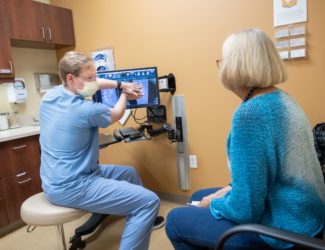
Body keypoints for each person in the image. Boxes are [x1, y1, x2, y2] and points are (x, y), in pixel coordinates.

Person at [165, 29, 325, 249]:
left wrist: (215, 203)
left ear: (235, 66)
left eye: (223, 61)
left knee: (175, 220)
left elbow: (245, 210)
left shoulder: (251, 114)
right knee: (199, 195)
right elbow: (265, 172)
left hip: (286, 229)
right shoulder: (282, 99)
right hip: (307, 218)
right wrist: (225, 191)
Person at [39, 51, 164, 250]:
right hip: (75, 185)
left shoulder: (51, 96)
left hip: (56, 179)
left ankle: (142, 221)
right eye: (89, 78)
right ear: (71, 78)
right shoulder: (87, 110)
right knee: (149, 201)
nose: (94, 82)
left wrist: (120, 83)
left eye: (95, 76)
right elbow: (116, 113)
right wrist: (125, 94)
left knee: (129, 173)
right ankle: (142, 213)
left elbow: (96, 84)